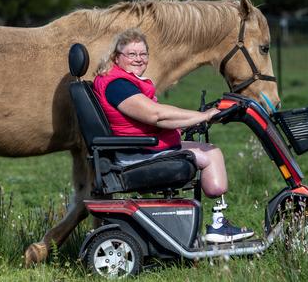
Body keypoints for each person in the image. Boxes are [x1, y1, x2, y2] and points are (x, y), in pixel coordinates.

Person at [93, 28, 254, 243]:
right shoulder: (118, 85)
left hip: (143, 147)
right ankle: (218, 224)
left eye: (143, 54)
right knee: (211, 154)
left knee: (209, 150)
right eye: (132, 54)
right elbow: (156, 116)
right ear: (116, 57)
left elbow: (152, 118)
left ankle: (217, 223)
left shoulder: (119, 80)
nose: (139, 59)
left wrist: (185, 125)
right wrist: (203, 116)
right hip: (138, 153)